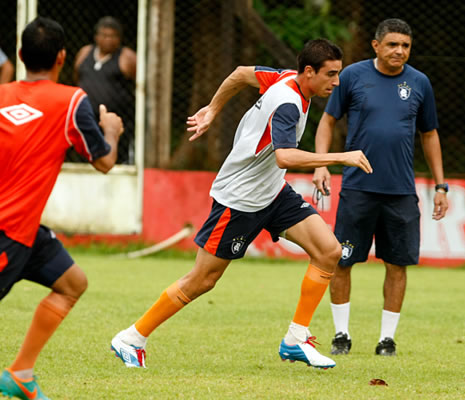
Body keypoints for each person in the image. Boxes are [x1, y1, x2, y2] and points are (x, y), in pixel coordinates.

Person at [110, 38, 372, 370]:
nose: (337, 82)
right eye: (331, 75)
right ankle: (132, 337)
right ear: (309, 72)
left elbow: (239, 74)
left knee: (328, 251)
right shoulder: (289, 103)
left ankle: (296, 338)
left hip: (273, 193)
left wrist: (212, 109)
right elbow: (285, 156)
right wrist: (339, 158)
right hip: (240, 200)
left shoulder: (283, 77)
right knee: (202, 280)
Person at [0, 17, 123, 400]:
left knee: (72, 284)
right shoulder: (71, 101)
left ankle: (20, 372)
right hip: (8, 232)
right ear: (62, 57)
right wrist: (112, 132)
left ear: (20, 56)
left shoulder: (0, 96)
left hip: (23, 230)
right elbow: (104, 162)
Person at [312, 18, 449, 357]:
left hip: (401, 191)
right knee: (342, 261)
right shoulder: (353, 77)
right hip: (357, 188)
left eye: (404, 45)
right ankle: (341, 335)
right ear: (376, 46)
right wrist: (321, 164)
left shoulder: (420, 83)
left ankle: (387, 339)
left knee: (397, 264)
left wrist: (441, 185)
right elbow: (327, 122)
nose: (399, 51)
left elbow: (429, 134)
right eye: (392, 44)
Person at [74, 16, 136, 164]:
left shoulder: (126, 57)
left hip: (116, 122)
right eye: (104, 35)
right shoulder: (85, 53)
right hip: (87, 120)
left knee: (115, 159)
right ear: (96, 37)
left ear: (119, 38)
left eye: (113, 36)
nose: (108, 39)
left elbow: (139, 84)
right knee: (85, 159)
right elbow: (76, 77)